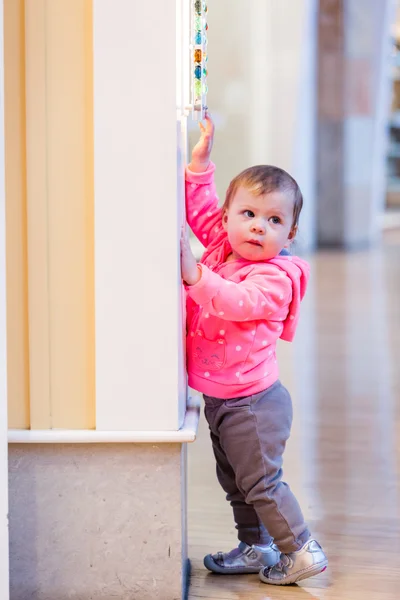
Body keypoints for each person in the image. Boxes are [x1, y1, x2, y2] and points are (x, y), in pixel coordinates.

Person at [180, 113, 328, 586]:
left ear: (290, 235)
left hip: (254, 404)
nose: (259, 227)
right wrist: (200, 164)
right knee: (236, 484)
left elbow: (237, 302)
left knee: (262, 484)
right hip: (223, 399)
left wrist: (196, 276)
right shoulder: (224, 247)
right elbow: (201, 209)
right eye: (248, 214)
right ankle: (255, 546)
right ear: (227, 218)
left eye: (274, 220)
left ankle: (301, 549)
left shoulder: (275, 278)